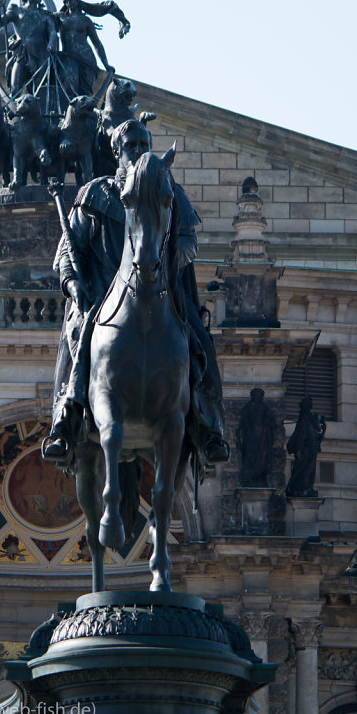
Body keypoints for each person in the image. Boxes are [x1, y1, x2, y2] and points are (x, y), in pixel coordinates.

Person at [42, 118, 228, 468]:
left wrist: (165, 256)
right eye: (132, 146)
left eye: (145, 145)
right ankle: (64, 419)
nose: (140, 152)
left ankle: (209, 425)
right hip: (101, 294)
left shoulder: (166, 189)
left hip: (159, 286)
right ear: (117, 151)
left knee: (200, 340)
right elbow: (68, 251)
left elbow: (189, 240)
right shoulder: (95, 194)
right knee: (78, 334)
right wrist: (72, 283)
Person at [0, 0, 59, 96]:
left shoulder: (45, 15)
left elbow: (52, 31)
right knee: (15, 88)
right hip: (22, 54)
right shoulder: (17, 11)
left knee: (39, 90)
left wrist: (53, 42)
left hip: (41, 55)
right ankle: (13, 110)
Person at [285, 396, 326, 497]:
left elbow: (314, 434)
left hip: (311, 447)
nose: (311, 404)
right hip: (306, 449)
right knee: (304, 469)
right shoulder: (305, 416)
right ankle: (300, 489)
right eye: (309, 402)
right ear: (305, 405)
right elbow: (301, 434)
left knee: (308, 469)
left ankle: (305, 488)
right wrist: (299, 449)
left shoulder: (309, 417)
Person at [236, 387, 276, 487]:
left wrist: (269, 423)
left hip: (262, 439)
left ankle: (259, 477)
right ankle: (248, 477)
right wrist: (238, 434)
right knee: (248, 457)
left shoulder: (265, 408)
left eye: (259, 395)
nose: (258, 397)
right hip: (250, 437)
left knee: (262, 458)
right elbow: (242, 421)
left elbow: (272, 423)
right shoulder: (248, 407)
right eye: (256, 394)